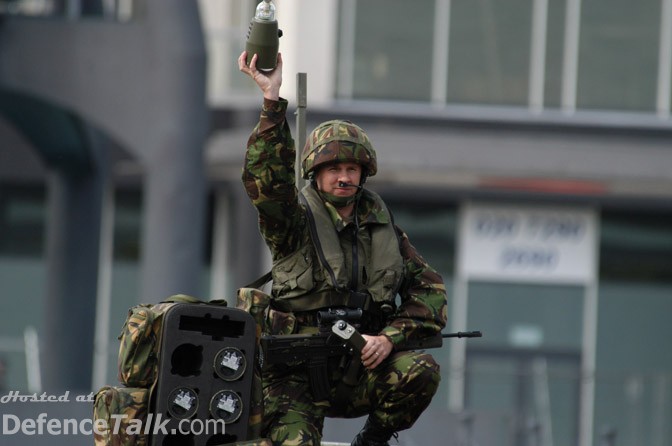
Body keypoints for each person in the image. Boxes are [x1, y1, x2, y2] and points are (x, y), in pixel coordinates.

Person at [238, 51, 448, 446]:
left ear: (363, 174)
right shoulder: (292, 223)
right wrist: (271, 101)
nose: (343, 176)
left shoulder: (385, 231)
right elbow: (267, 184)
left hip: (358, 369)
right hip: (295, 375)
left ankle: (373, 440)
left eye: (352, 169)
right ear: (316, 175)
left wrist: (390, 337)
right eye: (333, 169)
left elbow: (431, 295)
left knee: (421, 369)